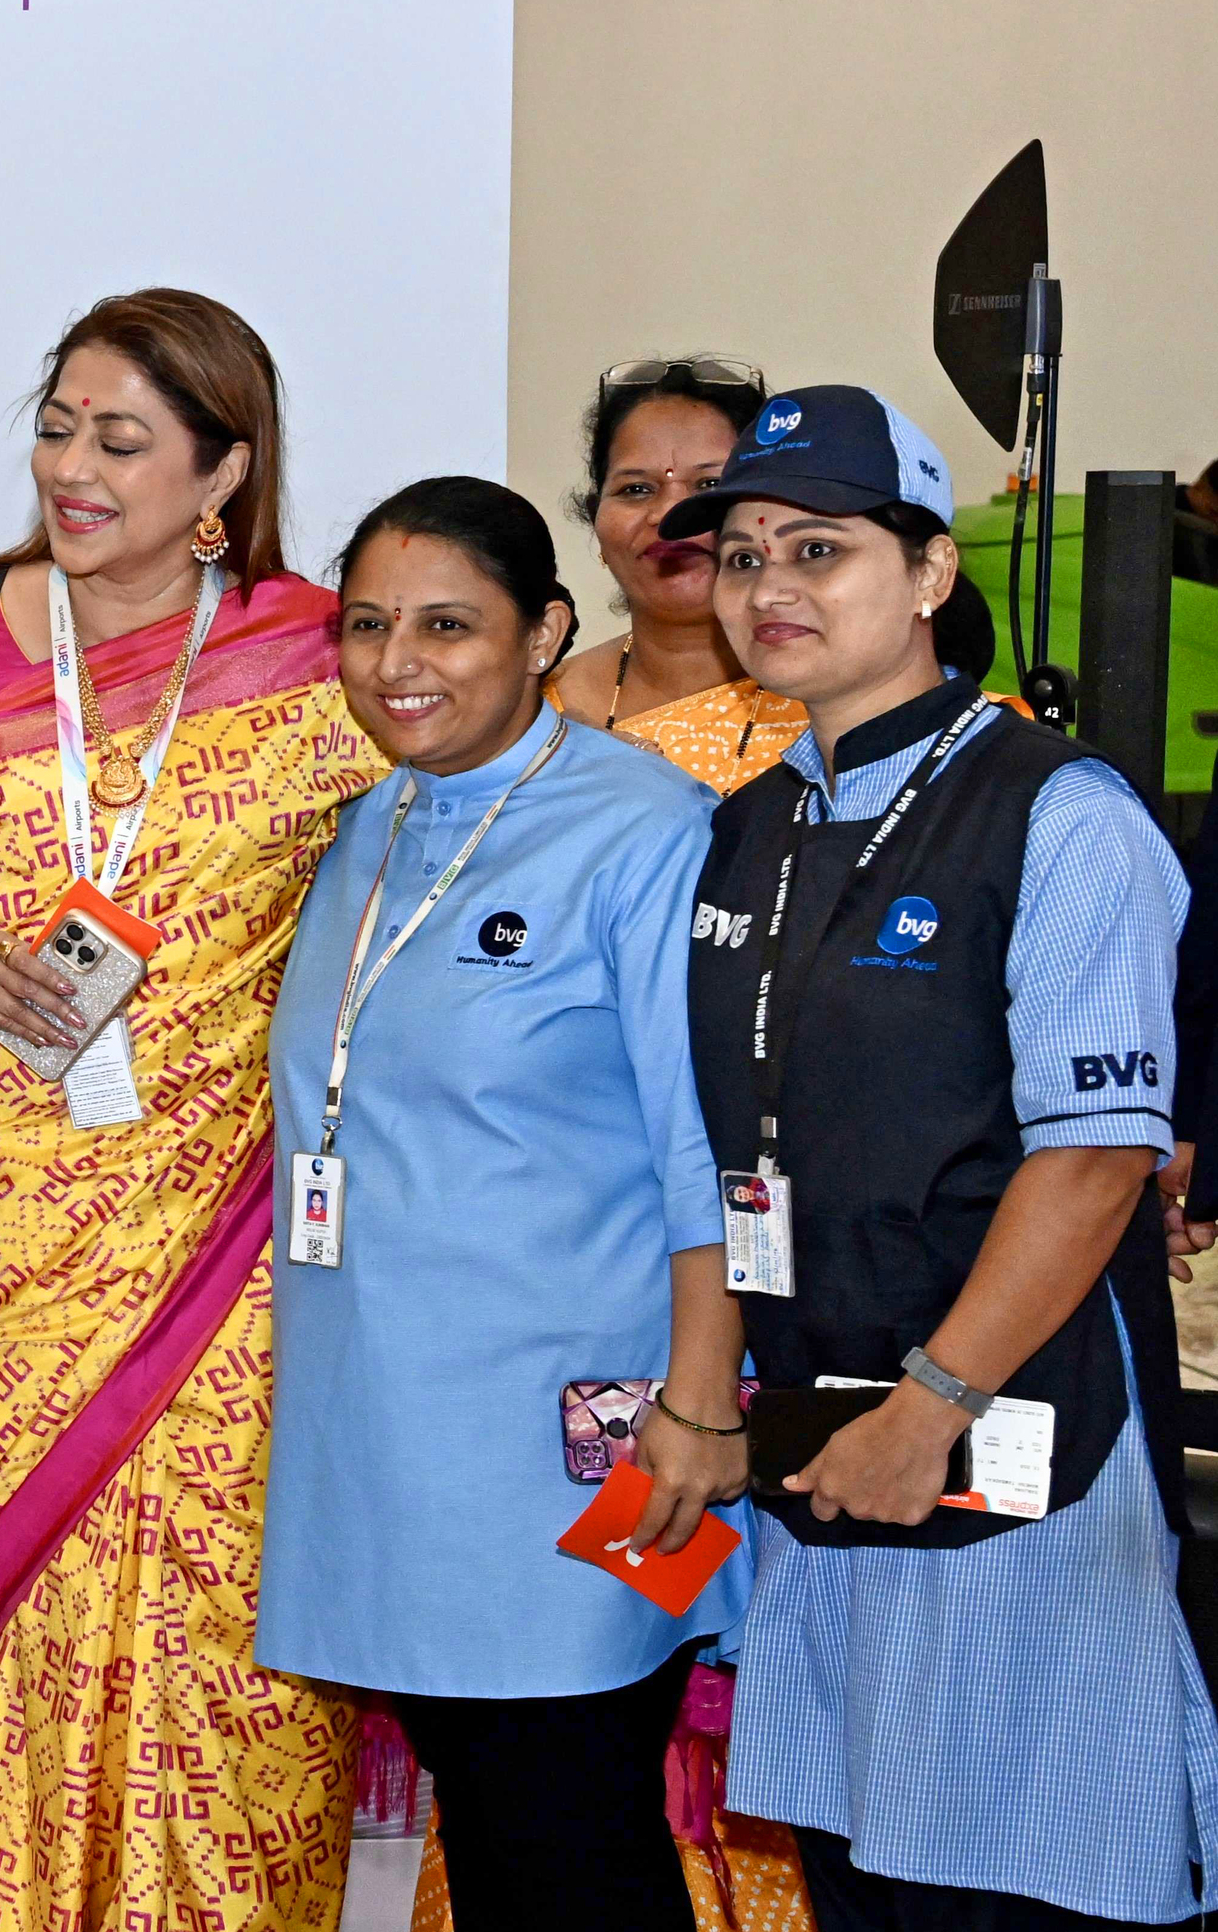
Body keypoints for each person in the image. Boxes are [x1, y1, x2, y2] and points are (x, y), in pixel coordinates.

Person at [0, 288, 384, 1932]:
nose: (71, 466)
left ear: (221, 472)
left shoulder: (319, 650)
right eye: (53, 427)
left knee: (223, 1632)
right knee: (21, 1604)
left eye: (120, 439)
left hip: (231, 1238)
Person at [666, 385, 1216, 1928]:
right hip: (820, 1457)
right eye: (739, 555)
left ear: (924, 574)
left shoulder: (1058, 812)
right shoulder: (743, 827)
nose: (767, 588)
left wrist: (934, 1404)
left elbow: (1093, 1160)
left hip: (1011, 1438)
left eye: (817, 550)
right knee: (862, 1880)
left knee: (1031, 1883)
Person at [255, 477, 748, 1931]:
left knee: (569, 1830)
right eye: (364, 626)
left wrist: (701, 1404)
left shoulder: (641, 829)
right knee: (496, 1826)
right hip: (390, 1438)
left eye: (446, 625)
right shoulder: (358, 830)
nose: (395, 662)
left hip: (588, 1438)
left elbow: (700, 1146)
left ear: (541, 633)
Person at [542, 356, 810, 795]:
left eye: (709, 486)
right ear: (596, 522)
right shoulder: (542, 713)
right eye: (635, 489)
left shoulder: (831, 698)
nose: (669, 514)